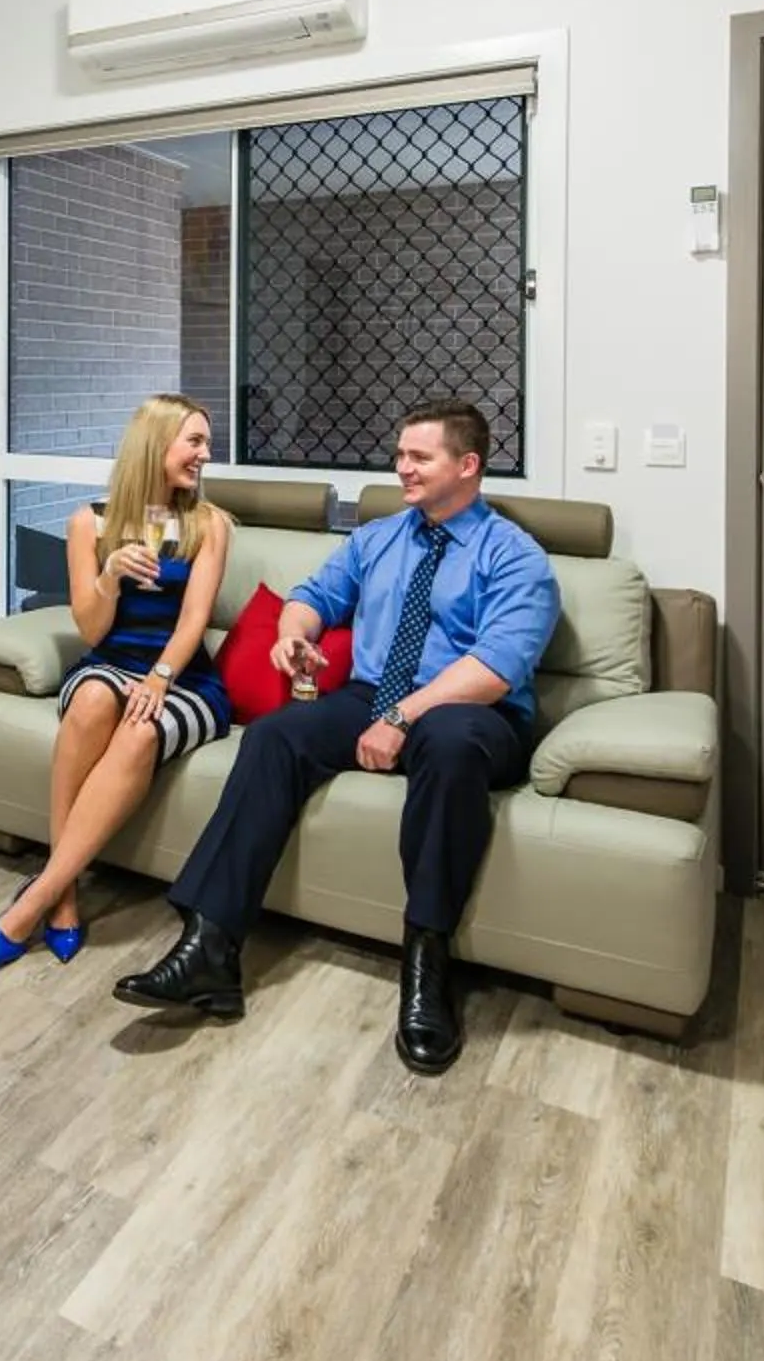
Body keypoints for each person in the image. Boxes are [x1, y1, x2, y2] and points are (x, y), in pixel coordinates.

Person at [115, 398, 558, 1074]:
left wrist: (403, 717)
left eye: (420, 457)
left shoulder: (515, 556)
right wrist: (294, 635)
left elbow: (495, 668)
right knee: (274, 738)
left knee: (450, 744)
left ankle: (427, 965)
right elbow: (313, 597)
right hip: (371, 696)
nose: (402, 468)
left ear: (467, 465)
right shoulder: (377, 538)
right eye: (400, 454)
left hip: (472, 712)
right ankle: (210, 948)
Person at [0, 393, 234, 972]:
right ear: (156, 443)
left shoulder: (210, 525)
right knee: (94, 698)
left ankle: (38, 897)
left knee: (141, 727)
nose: (205, 454)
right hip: (110, 663)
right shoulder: (87, 523)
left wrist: (160, 679)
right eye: (195, 441)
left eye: (207, 443)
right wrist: (110, 577)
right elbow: (93, 630)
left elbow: (194, 620)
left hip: (184, 678)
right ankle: (66, 895)